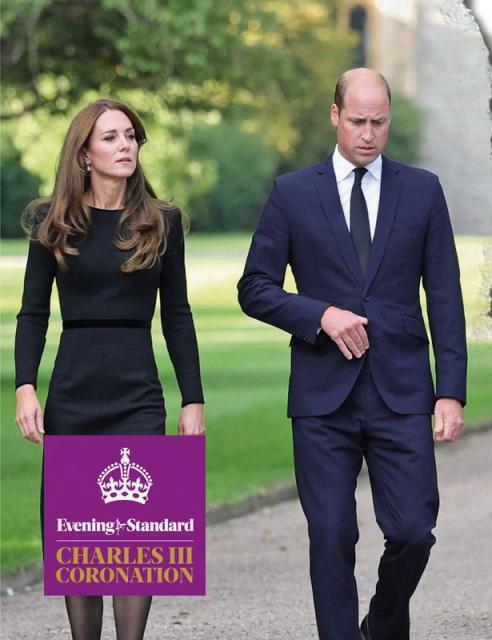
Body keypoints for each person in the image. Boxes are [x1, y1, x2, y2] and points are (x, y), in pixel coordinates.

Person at [237, 68, 467, 640]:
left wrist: (451, 390)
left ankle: (382, 625)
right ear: (335, 115)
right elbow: (255, 287)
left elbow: (444, 296)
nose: (369, 133)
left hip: (401, 392)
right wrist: (319, 314)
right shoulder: (292, 193)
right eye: (358, 121)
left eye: (380, 122)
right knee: (332, 535)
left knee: (414, 530)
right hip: (322, 399)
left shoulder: (423, 190)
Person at [14, 99, 205, 640]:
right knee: (78, 538)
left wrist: (193, 399)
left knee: (136, 541)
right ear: (84, 154)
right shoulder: (52, 222)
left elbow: (178, 315)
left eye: (131, 136)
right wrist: (26, 386)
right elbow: (32, 314)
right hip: (73, 393)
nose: (126, 146)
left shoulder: (161, 222)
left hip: (137, 394)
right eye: (111, 137)